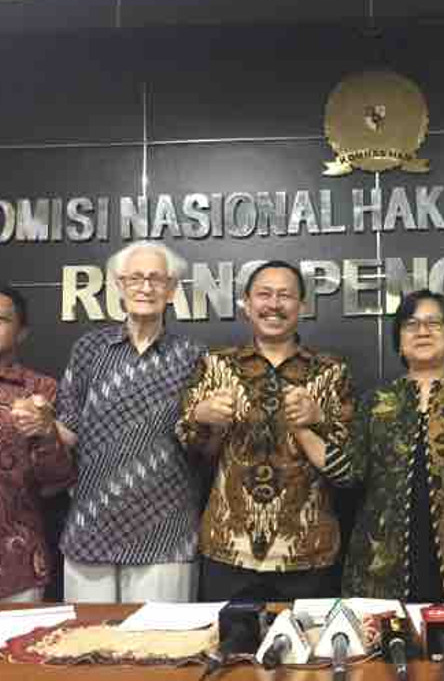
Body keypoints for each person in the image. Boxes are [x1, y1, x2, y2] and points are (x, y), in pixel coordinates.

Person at [178, 260, 354, 601]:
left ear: (302, 306)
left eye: (285, 295)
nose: (274, 304)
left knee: (307, 638)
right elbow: (189, 448)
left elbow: (351, 466)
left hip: (308, 551)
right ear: (247, 304)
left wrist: (319, 417)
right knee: (227, 637)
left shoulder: (331, 371)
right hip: (228, 550)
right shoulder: (216, 364)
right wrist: (201, 416)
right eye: (264, 294)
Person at [54, 241, 206, 602]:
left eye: (156, 278)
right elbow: (67, 430)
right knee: (88, 636)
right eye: (135, 278)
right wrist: (43, 426)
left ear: (172, 289)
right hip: (92, 523)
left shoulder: (193, 355)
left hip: (165, 528)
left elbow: (202, 446)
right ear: (119, 286)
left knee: (159, 638)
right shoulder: (89, 349)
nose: (146, 287)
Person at [341, 290, 444, 601]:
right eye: (411, 324)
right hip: (379, 559)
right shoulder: (375, 402)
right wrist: (307, 426)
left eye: (434, 323)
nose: (422, 331)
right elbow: (351, 475)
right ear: (399, 342)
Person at [0, 285, 75, 603]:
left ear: (22, 332)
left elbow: (57, 480)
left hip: (18, 563)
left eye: (2, 319)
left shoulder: (42, 391)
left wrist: (46, 432)